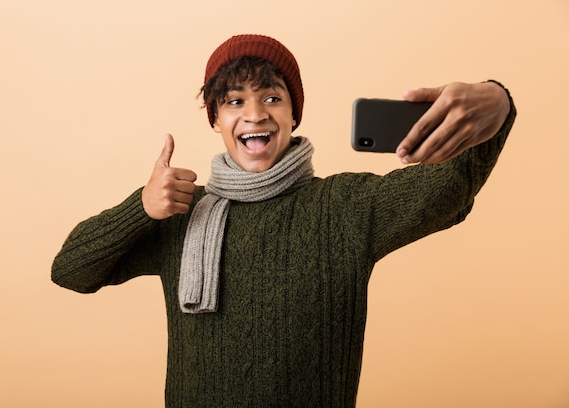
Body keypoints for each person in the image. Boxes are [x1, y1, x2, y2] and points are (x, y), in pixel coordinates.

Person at [52, 34, 516, 407]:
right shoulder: (179, 212)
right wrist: (141, 208)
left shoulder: (344, 207)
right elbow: (71, 270)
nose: (255, 114)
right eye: (234, 101)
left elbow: (450, 187)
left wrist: (498, 103)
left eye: (272, 97)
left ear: (294, 113)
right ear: (215, 118)